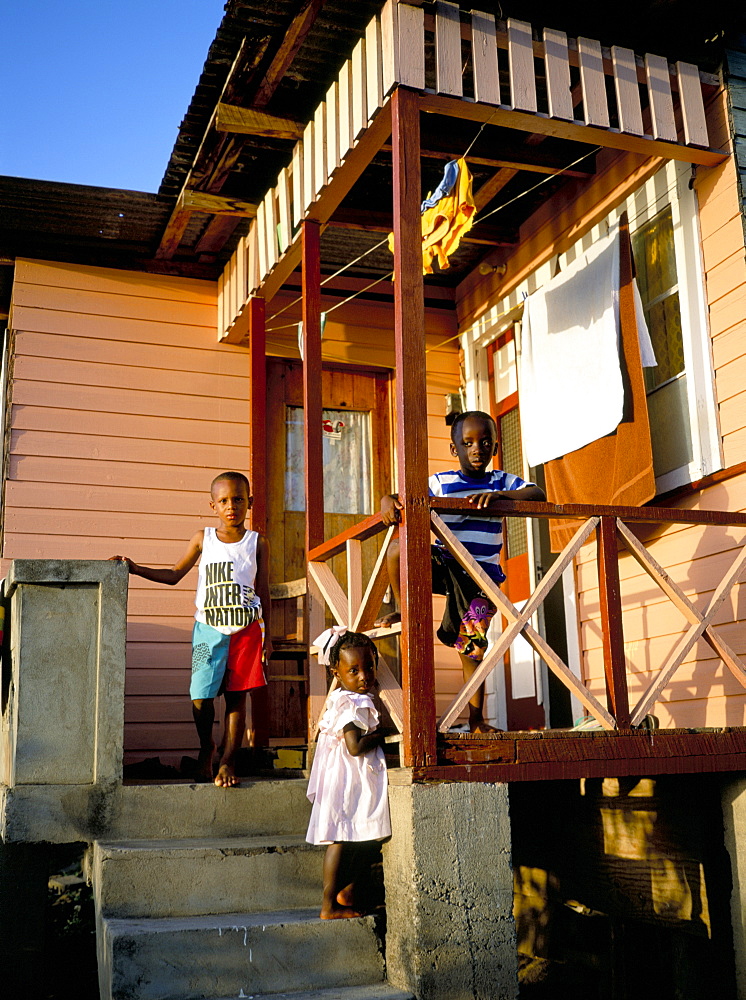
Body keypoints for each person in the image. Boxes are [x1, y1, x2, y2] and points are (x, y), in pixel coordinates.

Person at [376, 410, 545, 733]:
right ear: (455, 449)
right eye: (467, 443)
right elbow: (402, 499)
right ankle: (403, 607)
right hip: (446, 563)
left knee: (472, 647)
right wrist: (387, 499)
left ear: (495, 447)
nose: (477, 448)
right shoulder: (442, 482)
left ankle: (477, 720)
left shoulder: (501, 481)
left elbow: (537, 494)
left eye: (485, 442)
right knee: (398, 549)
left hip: (481, 578)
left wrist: (500, 498)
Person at [111, 471, 271, 787]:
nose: (231, 506)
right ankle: (206, 747)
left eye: (238, 499)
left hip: (246, 630)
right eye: (224, 500)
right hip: (208, 630)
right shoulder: (203, 538)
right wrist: (136, 568)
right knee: (200, 696)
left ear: (249, 502)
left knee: (237, 698)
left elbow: (263, 591)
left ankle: (227, 762)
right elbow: (174, 574)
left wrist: (270, 639)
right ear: (213, 505)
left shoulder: (258, 543)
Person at [306, 629, 391, 919]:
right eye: (353, 671)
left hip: (346, 775)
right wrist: (381, 736)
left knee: (364, 833)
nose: (364, 676)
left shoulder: (347, 697)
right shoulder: (352, 702)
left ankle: (348, 892)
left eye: (368, 667)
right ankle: (328, 905)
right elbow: (355, 747)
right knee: (339, 838)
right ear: (337, 674)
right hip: (346, 777)